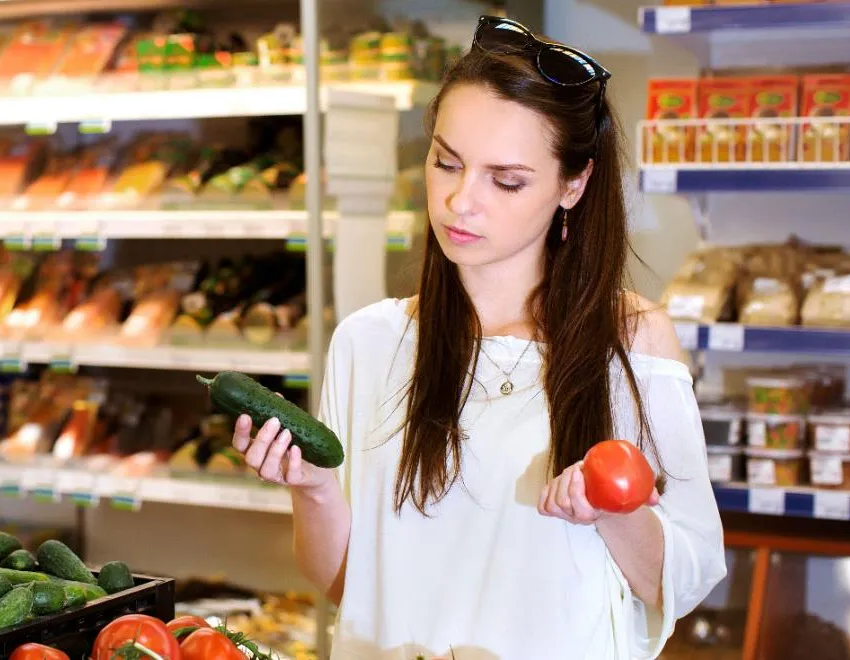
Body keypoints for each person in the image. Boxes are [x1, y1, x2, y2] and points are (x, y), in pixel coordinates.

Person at [231, 15, 727, 660]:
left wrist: (611, 509)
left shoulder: (631, 342)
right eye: (446, 162)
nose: (461, 201)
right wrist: (313, 489)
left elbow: (680, 579)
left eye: (506, 179)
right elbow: (345, 585)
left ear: (572, 185)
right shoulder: (369, 342)